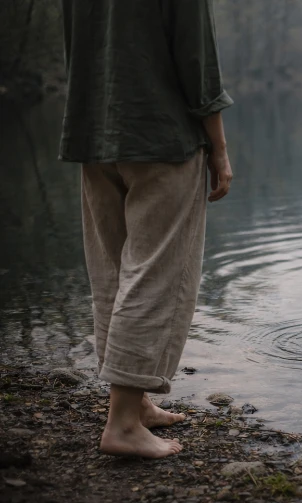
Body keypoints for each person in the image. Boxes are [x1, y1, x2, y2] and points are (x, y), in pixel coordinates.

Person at [59, 0, 234, 458]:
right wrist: (219, 147)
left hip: (95, 134)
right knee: (154, 277)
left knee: (115, 274)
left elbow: (80, 47)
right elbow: (198, 63)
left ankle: (135, 406)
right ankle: (121, 426)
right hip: (162, 136)